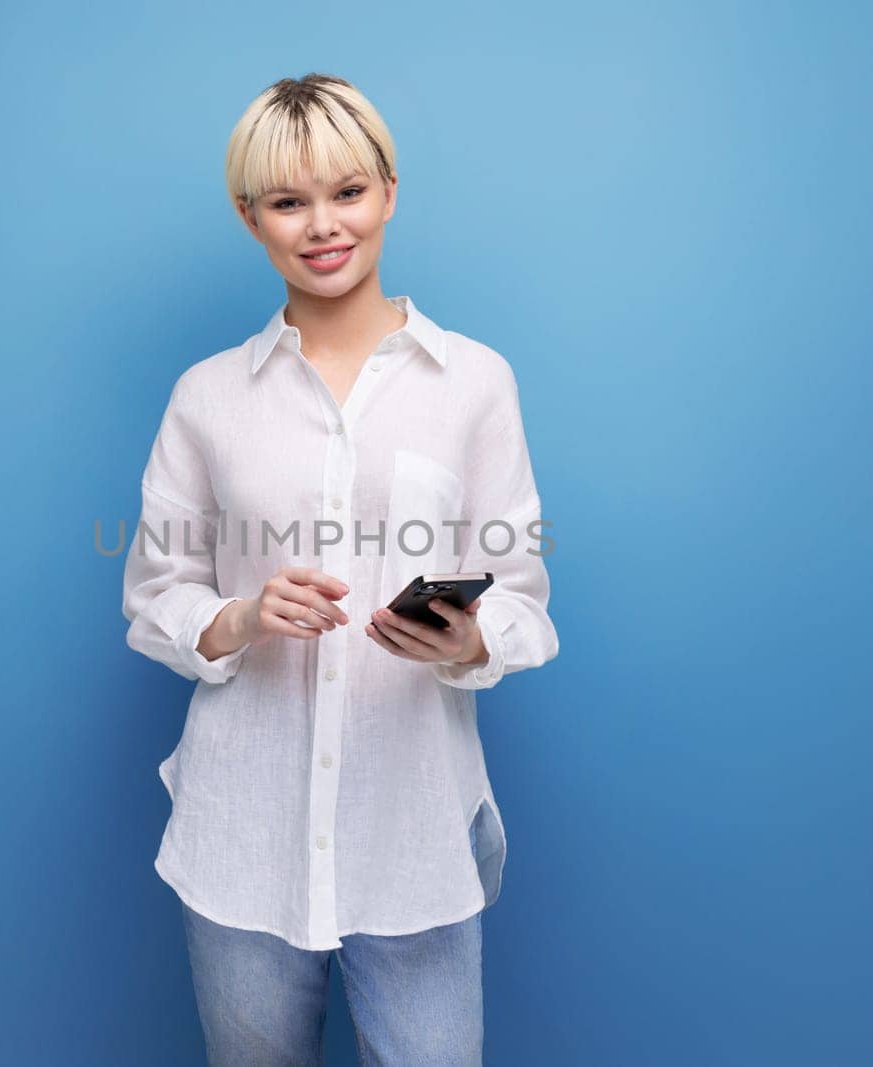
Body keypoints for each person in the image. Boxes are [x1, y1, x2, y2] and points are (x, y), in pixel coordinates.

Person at [120, 72, 560, 1066]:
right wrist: (241, 615)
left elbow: (524, 595)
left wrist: (469, 634)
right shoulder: (208, 397)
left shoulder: (475, 383)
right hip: (243, 838)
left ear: (389, 192)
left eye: (347, 192)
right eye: (287, 201)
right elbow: (155, 595)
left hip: (417, 832)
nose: (323, 225)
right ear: (251, 217)